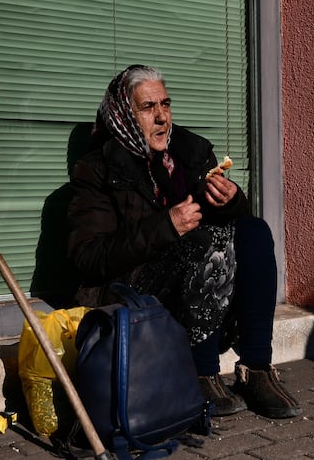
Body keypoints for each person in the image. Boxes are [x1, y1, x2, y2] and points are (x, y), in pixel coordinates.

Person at [67, 64, 300, 419]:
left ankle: (255, 368)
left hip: (198, 276)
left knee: (253, 230)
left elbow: (228, 227)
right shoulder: (97, 169)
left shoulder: (190, 152)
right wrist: (167, 226)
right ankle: (200, 372)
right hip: (131, 289)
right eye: (148, 108)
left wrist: (231, 200)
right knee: (202, 241)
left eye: (165, 104)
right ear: (123, 114)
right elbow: (88, 257)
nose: (161, 117)